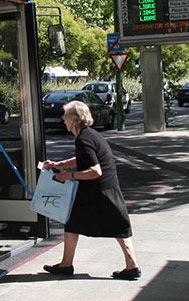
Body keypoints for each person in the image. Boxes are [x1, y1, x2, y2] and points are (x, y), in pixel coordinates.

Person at [40, 101, 140, 281]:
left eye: (65, 117)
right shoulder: (90, 134)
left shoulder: (83, 138)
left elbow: (95, 171)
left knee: (115, 227)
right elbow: (83, 158)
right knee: (83, 223)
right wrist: (59, 164)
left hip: (99, 190)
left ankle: (131, 266)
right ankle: (66, 264)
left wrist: (68, 176)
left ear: (73, 120)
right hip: (105, 188)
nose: (63, 120)